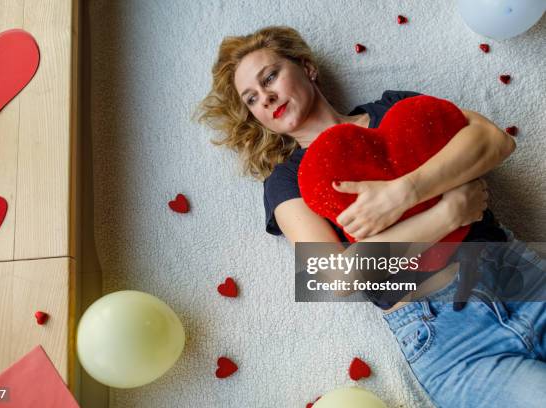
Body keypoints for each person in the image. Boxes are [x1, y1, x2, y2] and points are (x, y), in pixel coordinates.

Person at [194, 25, 546, 408]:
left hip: (517, 277)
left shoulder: (395, 109)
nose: (267, 97)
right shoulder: (286, 182)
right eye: (252, 98)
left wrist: (403, 193)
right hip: (449, 337)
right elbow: (337, 276)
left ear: (307, 67)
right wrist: (447, 213)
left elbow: (495, 141)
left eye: (270, 76)